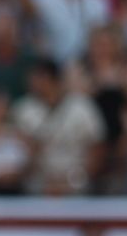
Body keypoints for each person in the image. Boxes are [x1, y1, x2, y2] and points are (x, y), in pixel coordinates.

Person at [11, 57, 106, 195]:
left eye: (37, 77)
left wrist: (74, 181)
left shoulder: (82, 106)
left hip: (78, 187)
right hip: (37, 189)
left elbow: (98, 150)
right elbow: (17, 153)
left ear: (50, 78)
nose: (31, 82)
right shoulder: (23, 109)